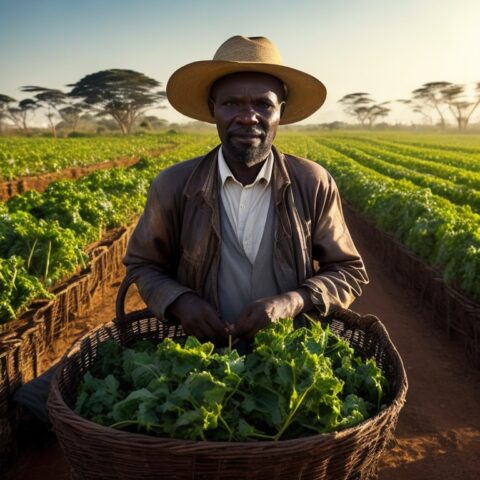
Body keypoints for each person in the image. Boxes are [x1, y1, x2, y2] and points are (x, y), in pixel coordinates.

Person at [123, 35, 368, 346]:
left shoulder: (312, 182)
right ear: (214, 109)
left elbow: (348, 269)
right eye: (231, 103)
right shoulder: (172, 185)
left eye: (263, 104)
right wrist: (181, 301)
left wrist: (293, 302)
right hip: (196, 358)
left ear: (281, 111)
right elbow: (142, 265)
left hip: (287, 357)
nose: (248, 116)